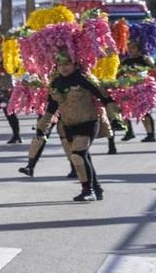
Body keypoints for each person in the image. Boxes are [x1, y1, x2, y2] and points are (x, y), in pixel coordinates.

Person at [45, 48, 111, 202]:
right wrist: (43, 126)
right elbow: (52, 106)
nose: (64, 67)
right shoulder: (56, 82)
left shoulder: (84, 79)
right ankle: (97, 189)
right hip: (69, 124)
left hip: (89, 122)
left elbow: (105, 97)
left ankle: (88, 191)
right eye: (60, 65)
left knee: (77, 155)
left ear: (75, 64)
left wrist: (115, 117)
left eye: (67, 63)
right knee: (83, 156)